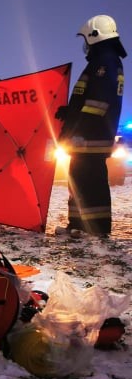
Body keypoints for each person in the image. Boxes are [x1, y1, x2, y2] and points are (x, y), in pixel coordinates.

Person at [55, 15, 126, 238]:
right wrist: (70, 112)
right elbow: (88, 97)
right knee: (79, 180)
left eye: (86, 39)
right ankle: (78, 225)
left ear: (95, 36)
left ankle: (95, 229)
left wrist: (77, 127)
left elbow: (98, 103)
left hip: (91, 136)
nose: (85, 45)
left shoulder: (105, 62)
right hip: (88, 135)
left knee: (91, 182)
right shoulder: (103, 61)